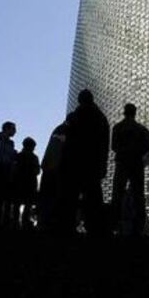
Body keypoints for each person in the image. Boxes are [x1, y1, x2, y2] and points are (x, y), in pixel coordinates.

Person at [59, 89, 110, 236]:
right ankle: (95, 227)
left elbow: (65, 140)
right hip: (93, 165)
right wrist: (103, 165)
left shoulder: (73, 117)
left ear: (79, 100)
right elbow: (105, 144)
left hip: (73, 164)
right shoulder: (101, 118)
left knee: (70, 197)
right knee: (93, 197)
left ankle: (67, 225)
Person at [111, 103, 149, 236]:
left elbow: (114, 146)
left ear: (124, 112)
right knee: (138, 194)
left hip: (122, 163)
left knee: (117, 193)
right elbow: (147, 146)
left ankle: (115, 223)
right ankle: (139, 226)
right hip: (136, 165)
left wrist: (124, 151)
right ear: (135, 113)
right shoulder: (142, 130)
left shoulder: (117, 128)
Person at [38, 113, 74, 232]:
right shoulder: (66, 130)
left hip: (49, 168)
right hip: (56, 169)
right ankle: (51, 224)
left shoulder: (58, 129)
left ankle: (44, 222)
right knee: (54, 197)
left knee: (47, 197)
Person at [0, 122, 17, 230]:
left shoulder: (11, 143)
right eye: (13, 129)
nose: (15, 131)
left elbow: (11, 159)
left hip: (5, 172)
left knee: (1, 198)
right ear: (7, 129)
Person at [12, 137, 40, 230]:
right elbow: (37, 171)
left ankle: (16, 222)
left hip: (20, 184)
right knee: (26, 204)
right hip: (28, 184)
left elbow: (14, 169)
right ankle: (23, 222)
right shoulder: (33, 157)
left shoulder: (19, 156)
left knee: (18, 204)